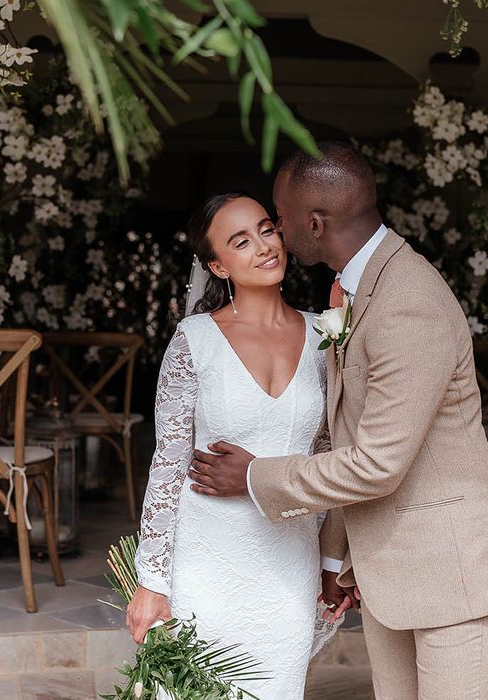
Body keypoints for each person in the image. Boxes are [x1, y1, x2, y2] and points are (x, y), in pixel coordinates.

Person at [188, 141, 488, 700]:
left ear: (314, 222)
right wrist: (336, 554)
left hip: (455, 566)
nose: (277, 234)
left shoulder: (408, 301)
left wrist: (257, 477)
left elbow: (377, 463)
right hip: (388, 566)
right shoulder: (355, 289)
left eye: (278, 220)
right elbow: (345, 432)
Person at [127, 193, 337, 700]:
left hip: (290, 559)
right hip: (206, 558)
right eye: (241, 241)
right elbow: (168, 464)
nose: (264, 247)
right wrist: (152, 578)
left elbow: (333, 455)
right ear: (217, 265)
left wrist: (334, 561)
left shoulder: (325, 336)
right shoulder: (194, 340)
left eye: (267, 230)